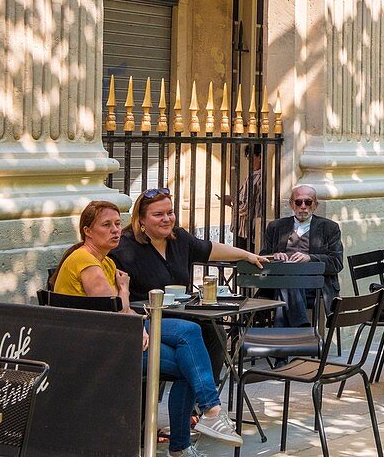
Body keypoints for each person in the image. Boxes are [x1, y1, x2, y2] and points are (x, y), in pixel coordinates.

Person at [55, 201, 242, 457]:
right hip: (98, 349)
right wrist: (125, 295)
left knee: (190, 353)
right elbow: (113, 314)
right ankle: (207, 416)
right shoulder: (87, 263)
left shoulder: (105, 263)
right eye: (106, 225)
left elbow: (121, 312)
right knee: (189, 342)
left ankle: (188, 437)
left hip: (111, 339)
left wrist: (130, 313)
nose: (115, 231)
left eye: (118, 224)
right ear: (88, 230)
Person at [111, 188, 268, 302]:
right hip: (148, 318)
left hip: (183, 313)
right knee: (192, 331)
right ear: (141, 219)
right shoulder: (125, 247)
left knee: (213, 330)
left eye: (170, 212)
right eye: (158, 214)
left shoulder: (179, 238)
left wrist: (247, 255)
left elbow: (209, 248)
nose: (166, 219)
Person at [259, 185, 344, 327]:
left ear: (315, 205)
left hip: (314, 287)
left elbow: (337, 263)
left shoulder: (330, 228)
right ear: (292, 204)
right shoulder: (275, 227)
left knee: (285, 285)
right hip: (278, 286)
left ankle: (286, 334)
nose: (303, 206)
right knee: (287, 278)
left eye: (308, 202)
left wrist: (310, 258)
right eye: (298, 202)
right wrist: (275, 256)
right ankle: (301, 327)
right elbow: (262, 258)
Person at [223, 143, 263, 251]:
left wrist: (232, 201)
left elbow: (246, 205)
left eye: (251, 157)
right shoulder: (253, 176)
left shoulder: (257, 177)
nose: (249, 160)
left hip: (246, 227)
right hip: (243, 227)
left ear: (259, 156)